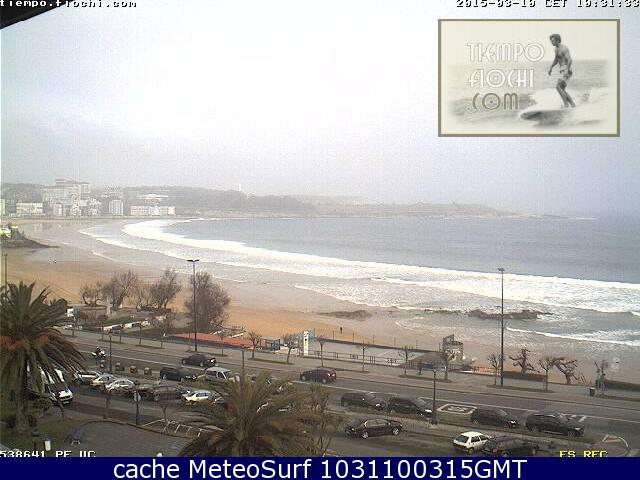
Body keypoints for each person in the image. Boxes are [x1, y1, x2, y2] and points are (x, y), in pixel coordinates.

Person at [548, 33, 576, 108]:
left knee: (558, 87)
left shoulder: (564, 48)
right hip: (562, 70)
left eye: (553, 41)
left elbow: (570, 59)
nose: (551, 42)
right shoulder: (556, 49)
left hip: (566, 69)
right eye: (551, 41)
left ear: (557, 40)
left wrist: (567, 69)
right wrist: (551, 67)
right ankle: (573, 105)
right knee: (562, 88)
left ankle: (566, 105)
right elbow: (556, 59)